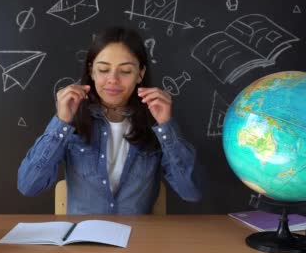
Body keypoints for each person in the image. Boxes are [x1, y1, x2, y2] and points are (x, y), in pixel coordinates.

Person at [18, 27, 200, 214]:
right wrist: (61, 122)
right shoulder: (73, 119)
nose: (112, 79)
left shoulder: (154, 123)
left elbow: (191, 191)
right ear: (92, 71)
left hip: (140, 239)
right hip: (83, 238)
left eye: (126, 71)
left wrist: (166, 126)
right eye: (104, 69)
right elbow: (29, 185)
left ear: (140, 74)